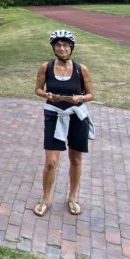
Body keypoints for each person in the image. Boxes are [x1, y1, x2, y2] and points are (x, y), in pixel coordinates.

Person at [32, 29, 95, 216]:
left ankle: (72, 197)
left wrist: (80, 98)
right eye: (58, 45)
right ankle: (46, 199)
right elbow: (37, 89)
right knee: (51, 162)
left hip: (76, 116)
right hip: (54, 114)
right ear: (54, 48)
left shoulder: (81, 69)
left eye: (66, 45)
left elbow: (91, 94)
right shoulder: (46, 67)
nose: (62, 48)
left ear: (71, 48)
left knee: (75, 159)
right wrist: (47, 95)